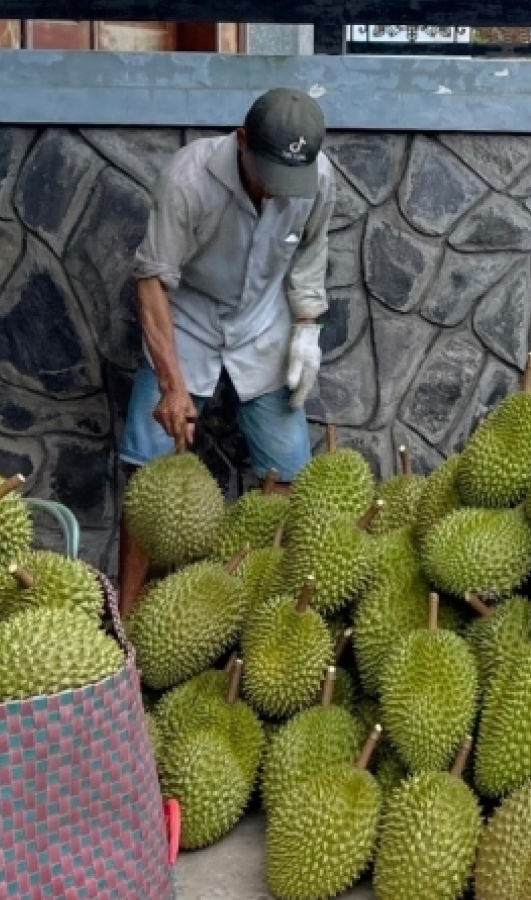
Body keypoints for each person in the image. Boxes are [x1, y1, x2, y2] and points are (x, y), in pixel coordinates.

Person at [116, 87, 335, 612]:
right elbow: (151, 282)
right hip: (185, 322)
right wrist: (171, 384)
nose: (280, 192)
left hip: (263, 325)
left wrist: (307, 327)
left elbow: (311, 251)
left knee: (288, 473)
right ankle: (125, 620)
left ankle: (257, 608)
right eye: (269, 175)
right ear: (242, 142)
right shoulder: (188, 178)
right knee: (147, 468)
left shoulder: (318, 179)